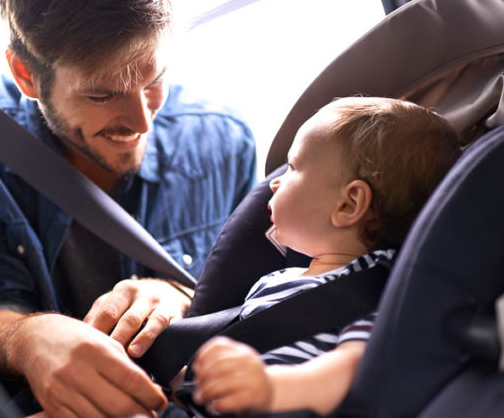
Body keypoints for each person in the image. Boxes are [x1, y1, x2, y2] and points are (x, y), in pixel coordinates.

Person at [0, 0, 256, 416]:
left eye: (154, 80)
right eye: (102, 95)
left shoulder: (223, 140)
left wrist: (178, 293)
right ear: (26, 74)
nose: (141, 120)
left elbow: (253, 289)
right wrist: (29, 339)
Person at [188, 96, 461, 416]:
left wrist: (273, 387)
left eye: (293, 167)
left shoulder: (375, 290)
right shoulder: (275, 280)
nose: (274, 182)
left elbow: (353, 367)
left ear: (348, 204)